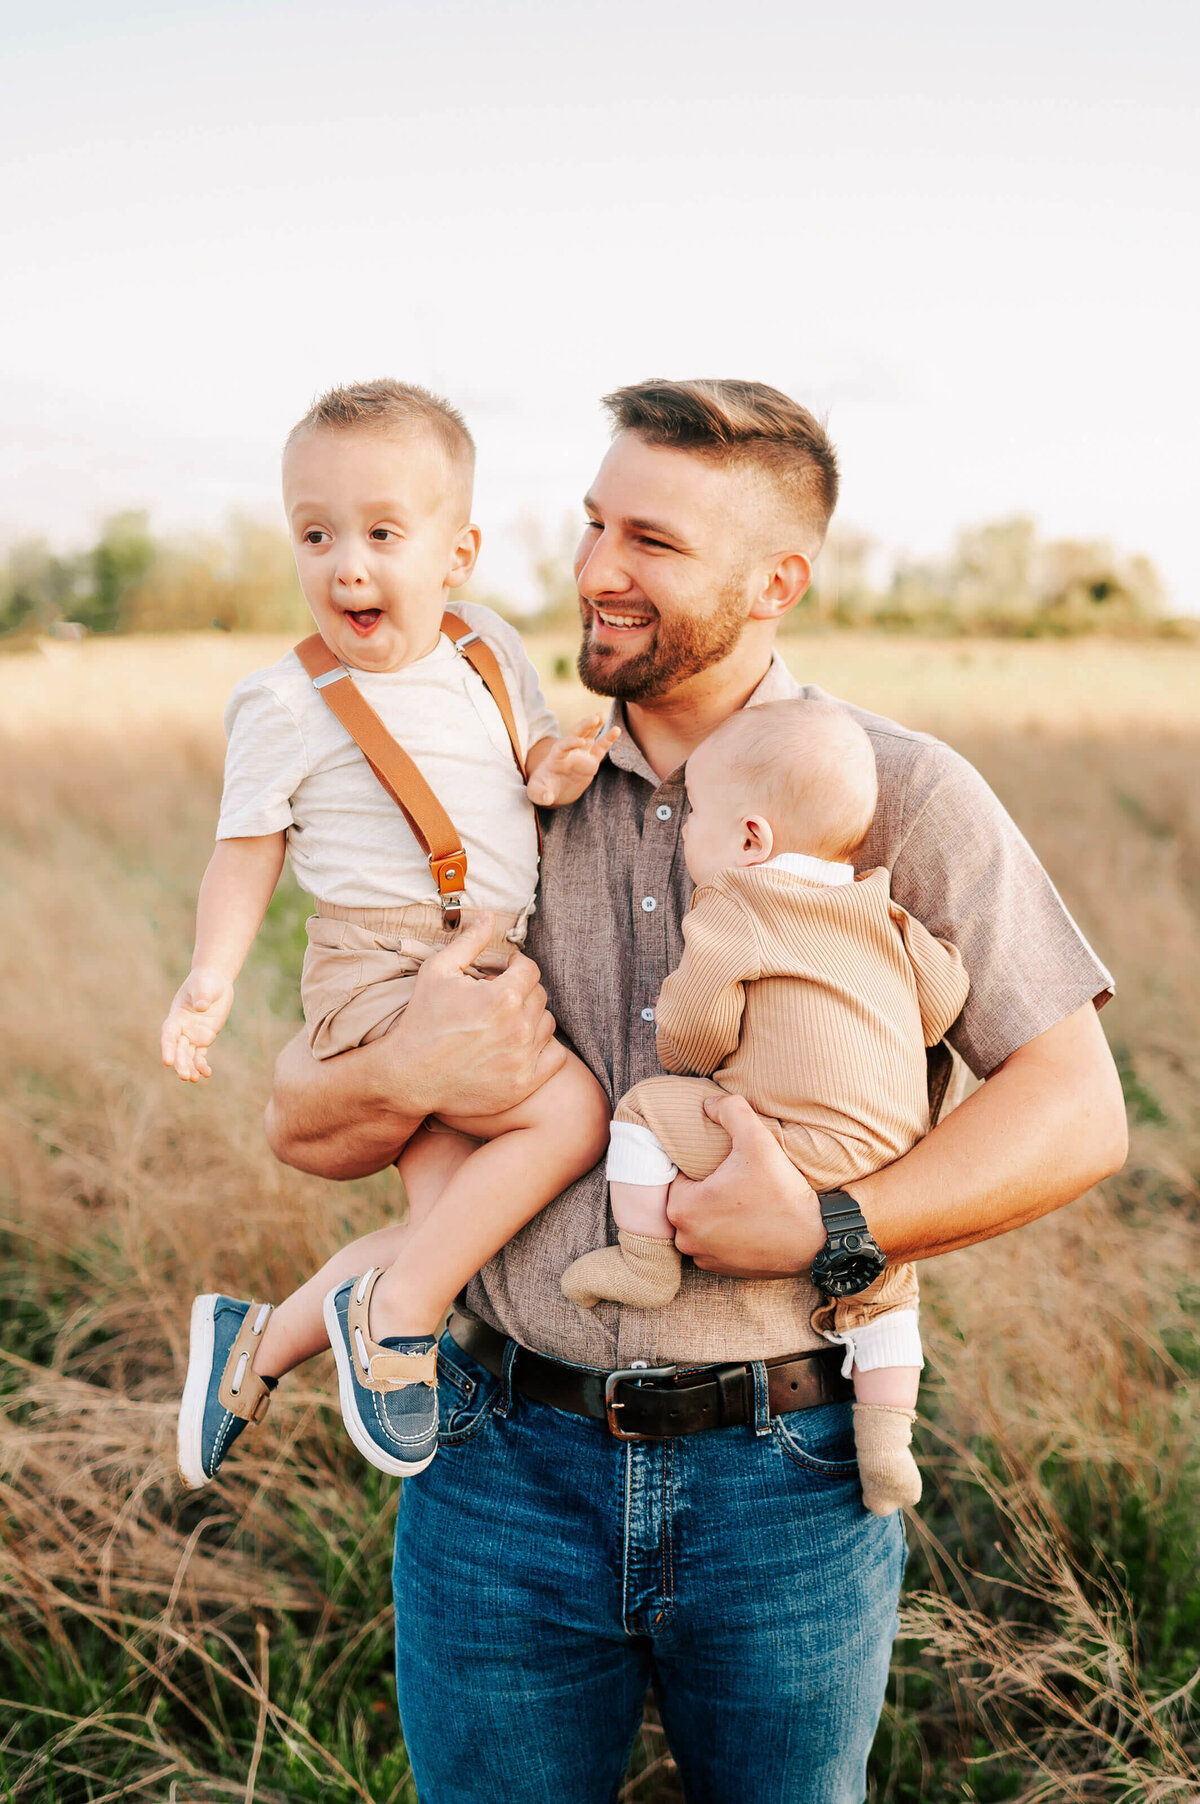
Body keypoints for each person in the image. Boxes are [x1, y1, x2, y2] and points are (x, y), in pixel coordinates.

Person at [264, 379, 1127, 1804]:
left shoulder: (903, 791)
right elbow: (304, 1123)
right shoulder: (494, 782)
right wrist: (413, 1062)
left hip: (789, 1477)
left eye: (652, 543)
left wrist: (830, 1228)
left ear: (776, 580)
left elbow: (1078, 1107)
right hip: (497, 1466)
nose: (598, 569)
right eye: (597, 523)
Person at [162, 379, 615, 1489]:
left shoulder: (485, 646)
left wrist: (559, 767)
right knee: (571, 1115)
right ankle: (396, 1317)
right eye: (315, 536)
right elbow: (247, 845)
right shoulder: (286, 699)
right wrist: (209, 977)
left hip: (491, 945)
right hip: (377, 960)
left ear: (455, 555)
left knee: (453, 1224)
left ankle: (258, 1347)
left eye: (379, 534)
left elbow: (532, 755)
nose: (344, 565)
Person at [560, 697, 970, 1517]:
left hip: (784, 1150)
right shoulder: (881, 907)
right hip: (889, 1158)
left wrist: (695, 1053)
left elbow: (693, 1031)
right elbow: (942, 1003)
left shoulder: (738, 904)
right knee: (887, 1293)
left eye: (695, 818)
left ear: (752, 840)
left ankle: (644, 1257)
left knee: (644, 1109)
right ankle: (887, 1447)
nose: (684, 835)